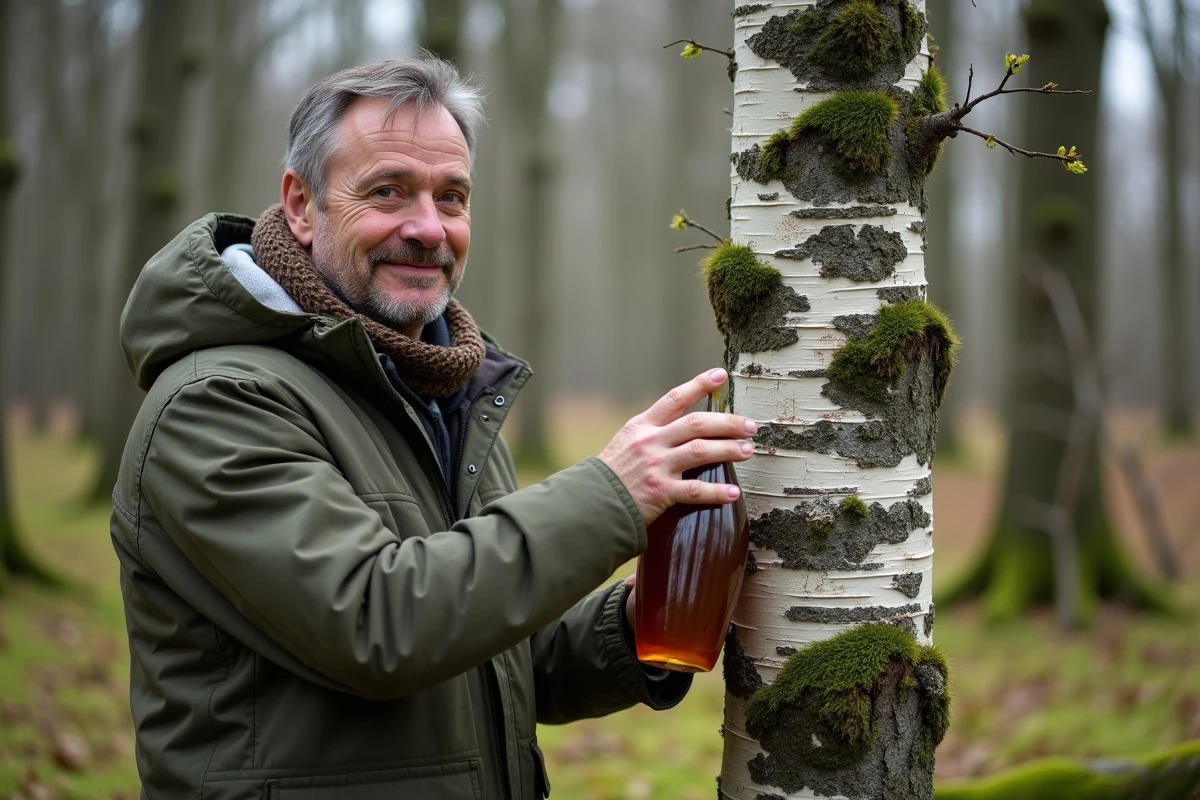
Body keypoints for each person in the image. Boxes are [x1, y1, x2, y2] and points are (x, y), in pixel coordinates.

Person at [110, 57, 756, 800]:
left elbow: (496, 651)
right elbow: (378, 625)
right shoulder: (216, 404)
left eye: (452, 197)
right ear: (301, 204)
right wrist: (610, 495)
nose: (427, 228)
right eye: (388, 191)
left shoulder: (433, 388)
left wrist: (649, 618)